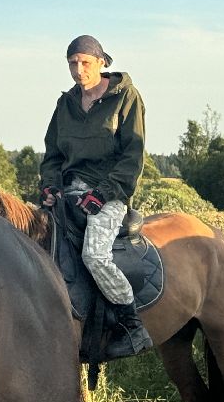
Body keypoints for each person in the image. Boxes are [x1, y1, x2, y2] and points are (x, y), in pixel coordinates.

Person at [38, 35, 154, 360]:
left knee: (94, 255)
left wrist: (103, 194)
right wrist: (50, 187)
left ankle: (132, 326)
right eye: (72, 63)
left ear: (101, 62)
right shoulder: (65, 104)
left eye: (85, 63)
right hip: (68, 192)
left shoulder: (126, 97)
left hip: (109, 192)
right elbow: (52, 155)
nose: (78, 70)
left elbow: (132, 156)